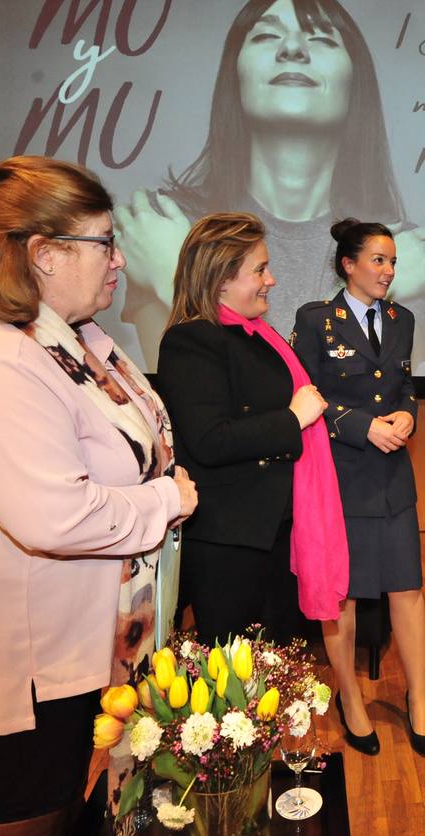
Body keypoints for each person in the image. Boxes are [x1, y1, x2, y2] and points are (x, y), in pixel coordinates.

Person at [0, 155, 198, 833]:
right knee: (35, 802)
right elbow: (56, 517)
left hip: (77, 632)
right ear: (44, 254)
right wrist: (166, 503)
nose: (119, 261)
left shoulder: (73, 336)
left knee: (65, 793)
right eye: (103, 243)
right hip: (23, 650)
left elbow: (142, 440)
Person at [116, 0, 425, 368]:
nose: (292, 49)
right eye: (265, 35)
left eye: (323, 40)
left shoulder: (402, 252)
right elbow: (193, 393)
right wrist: (174, 273)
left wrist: (182, 281)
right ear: (236, 73)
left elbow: (355, 400)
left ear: (355, 82)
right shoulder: (165, 228)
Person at [156, 211, 348, 647]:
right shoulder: (192, 341)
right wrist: (293, 419)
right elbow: (210, 440)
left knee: (273, 670)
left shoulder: (255, 334)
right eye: (259, 269)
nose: (271, 280)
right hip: (230, 539)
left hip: (275, 529)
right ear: (221, 278)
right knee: (232, 678)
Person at [291, 218, 425, 758]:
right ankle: (350, 699)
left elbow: (404, 384)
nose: (388, 270)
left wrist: (408, 415)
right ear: (348, 264)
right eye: (378, 260)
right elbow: (304, 395)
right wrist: (359, 426)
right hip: (342, 476)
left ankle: (419, 699)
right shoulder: (315, 321)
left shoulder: (403, 319)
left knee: (408, 588)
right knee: (343, 595)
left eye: (393, 261)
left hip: (394, 475)